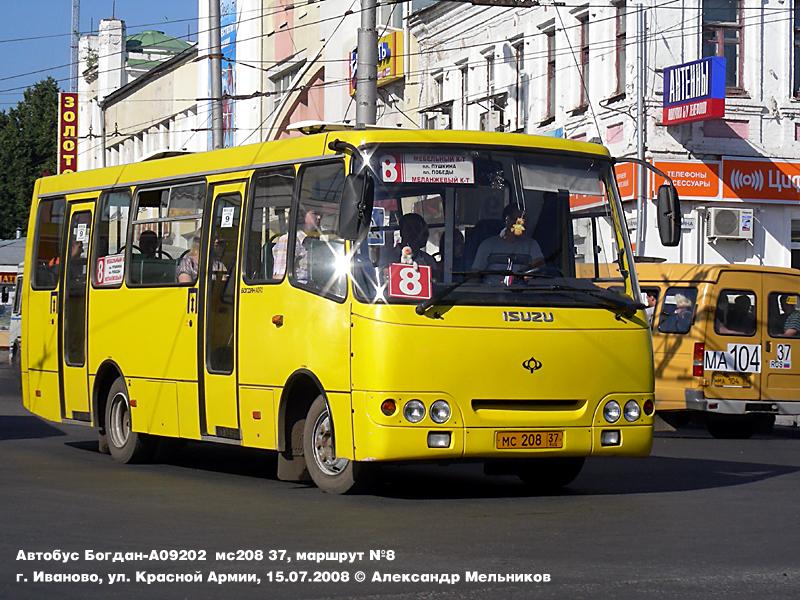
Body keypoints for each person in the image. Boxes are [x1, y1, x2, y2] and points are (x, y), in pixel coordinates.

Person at [471, 203, 544, 283]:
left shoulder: (532, 245)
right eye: (518, 221)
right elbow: (474, 276)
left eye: (525, 220)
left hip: (521, 291)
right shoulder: (487, 245)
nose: (523, 225)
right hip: (491, 291)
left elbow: (539, 270)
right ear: (507, 220)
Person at [272, 208, 320, 281]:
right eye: (314, 213)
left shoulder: (311, 241)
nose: (319, 217)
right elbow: (280, 277)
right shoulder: (288, 240)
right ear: (302, 216)